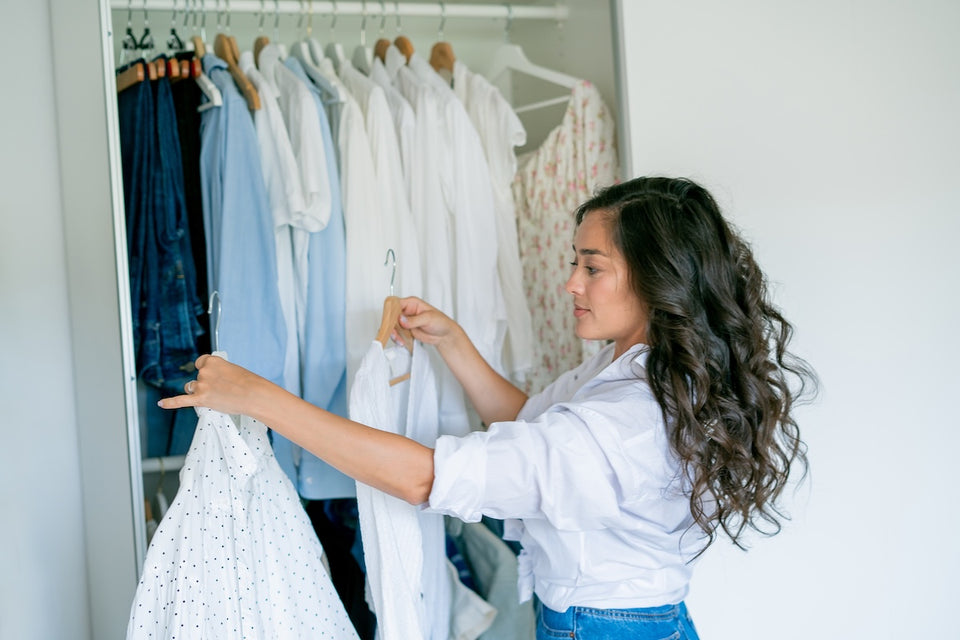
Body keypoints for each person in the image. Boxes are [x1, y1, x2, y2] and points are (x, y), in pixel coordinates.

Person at [161, 176, 815, 640]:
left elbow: (431, 478)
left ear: (656, 276)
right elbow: (533, 425)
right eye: (573, 264)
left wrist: (264, 400)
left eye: (592, 268)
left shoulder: (625, 423)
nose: (570, 284)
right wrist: (454, 344)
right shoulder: (639, 370)